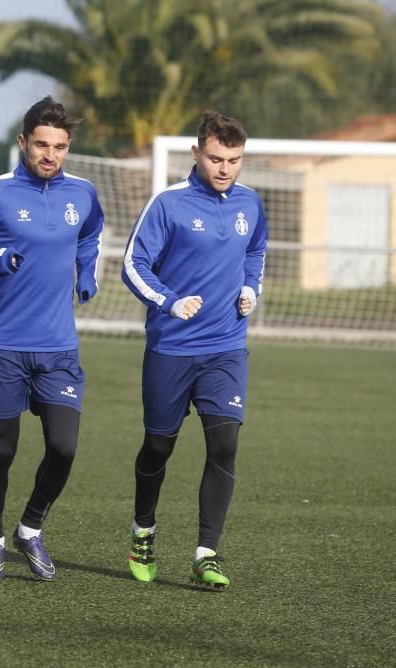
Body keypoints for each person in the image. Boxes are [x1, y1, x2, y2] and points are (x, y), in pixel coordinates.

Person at [0, 96, 103, 581]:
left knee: (64, 447)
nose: (50, 154)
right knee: (3, 450)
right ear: (23, 142)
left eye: (59, 146)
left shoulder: (82, 193)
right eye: (42, 144)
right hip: (6, 344)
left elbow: (91, 233)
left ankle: (30, 528)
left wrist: (86, 271)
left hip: (58, 346)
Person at [120, 110, 268, 590]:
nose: (226, 168)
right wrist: (169, 301)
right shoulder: (168, 204)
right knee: (159, 446)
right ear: (196, 154)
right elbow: (132, 264)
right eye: (217, 158)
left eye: (235, 159)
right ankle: (144, 530)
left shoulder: (250, 203)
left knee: (225, 443)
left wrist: (251, 288)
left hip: (226, 348)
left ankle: (207, 552)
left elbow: (255, 250)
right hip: (172, 348)